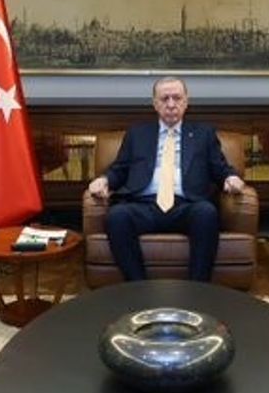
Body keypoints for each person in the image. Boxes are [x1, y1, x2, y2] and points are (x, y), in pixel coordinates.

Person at [87, 76, 247, 282]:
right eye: (164, 99)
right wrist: (104, 180)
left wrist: (231, 178)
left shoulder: (204, 134)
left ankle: (198, 288)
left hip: (187, 205)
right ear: (155, 104)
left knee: (207, 213)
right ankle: (138, 287)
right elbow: (120, 169)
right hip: (144, 205)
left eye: (177, 98)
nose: (171, 104)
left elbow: (219, 167)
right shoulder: (137, 134)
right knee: (117, 216)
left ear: (186, 101)